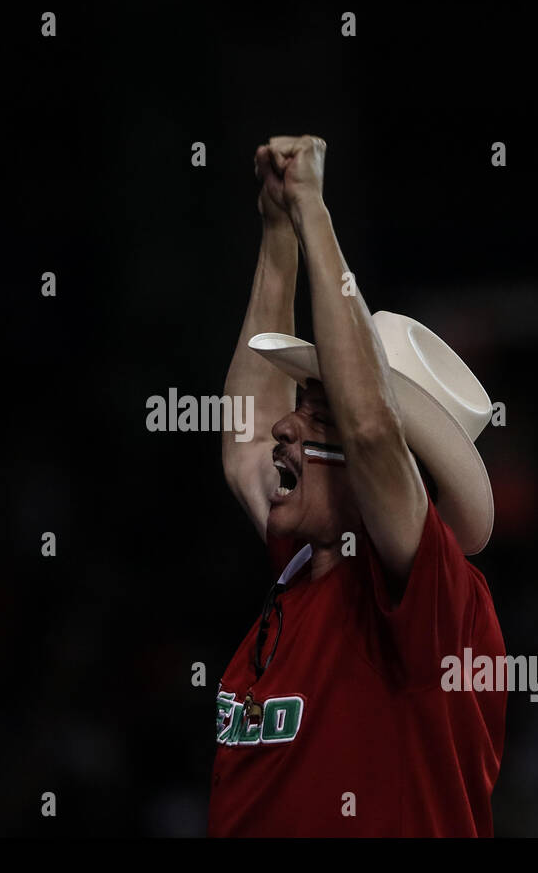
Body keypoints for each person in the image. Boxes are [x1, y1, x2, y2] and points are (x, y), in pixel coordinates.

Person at [209, 135, 506, 837]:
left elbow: (373, 428)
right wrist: (278, 234)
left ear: (394, 480)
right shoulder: (301, 568)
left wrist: (314, 211)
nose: (286, 425)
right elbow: (245, 441)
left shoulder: (434, 599)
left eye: (318, 414)